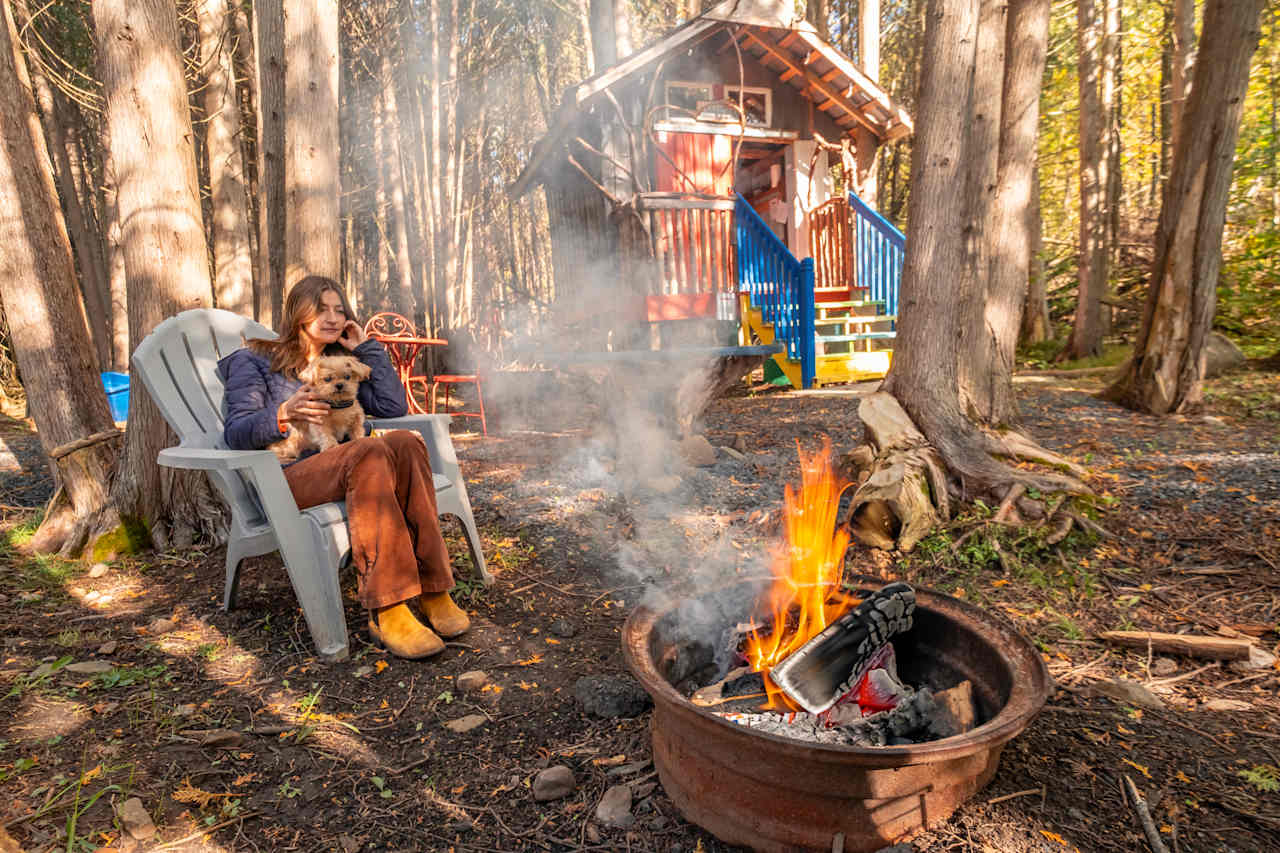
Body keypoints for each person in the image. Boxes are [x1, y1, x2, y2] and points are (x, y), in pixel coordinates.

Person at [217, 275, 469, 659]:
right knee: (368, 451)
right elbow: (236, 432)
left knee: (404, 441)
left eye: (339, 309)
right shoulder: (255, 359)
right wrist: (283, 412)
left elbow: (392, 409)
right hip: (285, 478)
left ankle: (434, 588)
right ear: (297, 312)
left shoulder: (344, 364)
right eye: (321, 308)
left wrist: (367, 348)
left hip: (353, 469)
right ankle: (388, 608)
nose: (333, 317)